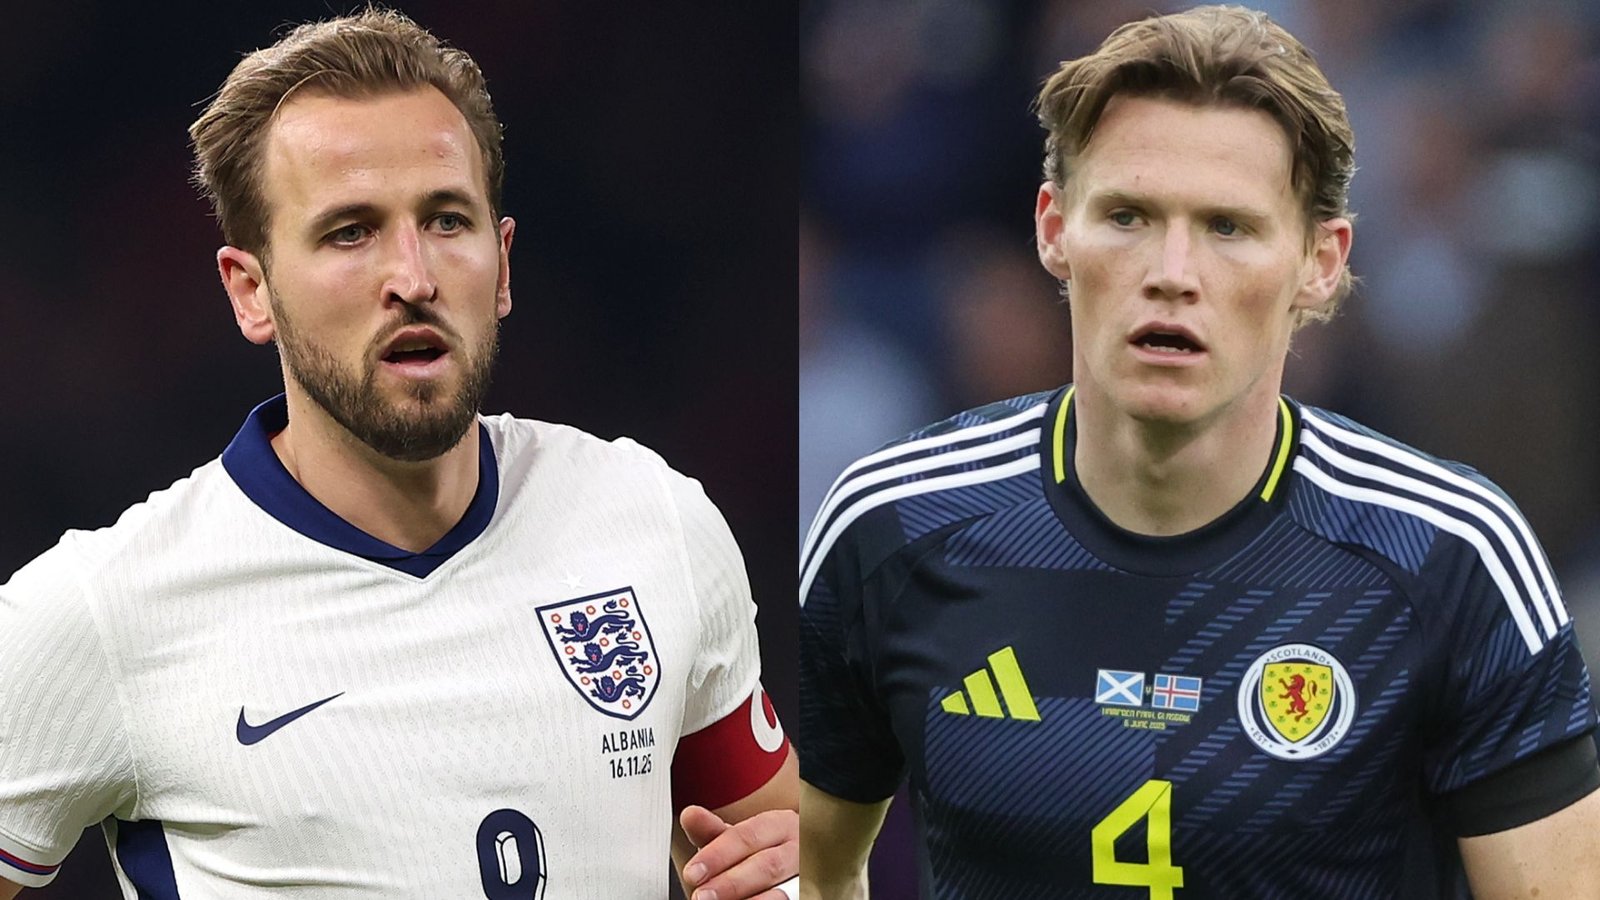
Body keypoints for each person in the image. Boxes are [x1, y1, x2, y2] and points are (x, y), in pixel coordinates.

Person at [797, 6, 1600, 898]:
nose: (1172, 270)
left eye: (1228, 227)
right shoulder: (894, 527)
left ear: (1320, 262)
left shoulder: (1450, 557)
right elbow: (800, 866)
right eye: (1130, 215)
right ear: (1054, 229)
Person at [0, 9, 797, 899]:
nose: (413, 276)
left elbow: (794, 854)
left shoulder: (653, 519)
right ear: (250, 291)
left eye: (447, 220)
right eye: (351, 231)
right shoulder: (99, 612)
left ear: (502, 265)